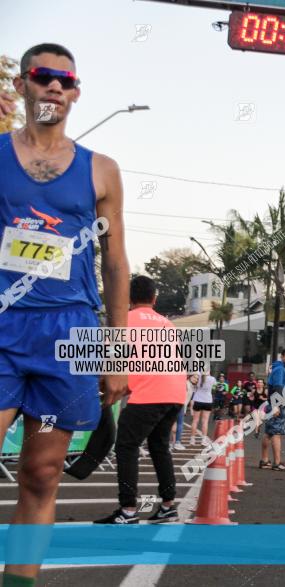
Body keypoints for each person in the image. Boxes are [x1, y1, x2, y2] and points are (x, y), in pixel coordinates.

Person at [0, 43, 129, 585]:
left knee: (42, 471)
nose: (55, 86)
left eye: (65, 80)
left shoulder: (101, 169)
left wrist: (117, 356)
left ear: (75, 94)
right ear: (23, 86)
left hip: (68, 333)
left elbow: (117, 266)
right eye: (43, 76)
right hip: (5, 325)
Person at [94, 276, 186, 524]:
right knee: (159, 447)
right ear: (154, 298)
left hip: (149, 394)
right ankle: (168, 505)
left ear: (128, 299)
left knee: (126, 446)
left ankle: (128, 510)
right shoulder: (169, 325)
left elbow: (109, 363)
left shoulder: (124, 323)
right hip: (176, 393)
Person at [260, 348, 285, 471]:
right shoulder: (280, 369)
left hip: (271, 404)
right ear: (282, 357)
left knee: (269, 433)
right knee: (276, 434)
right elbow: (277, 388)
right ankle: (277, 463)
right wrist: (277, 406)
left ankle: (264, 461)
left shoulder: (276, 368)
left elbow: (271, 388)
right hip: (276, 405)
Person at [188, 371, 214, 445]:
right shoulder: (212, 379)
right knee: (205, 421)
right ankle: (203, 440)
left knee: (195, 420)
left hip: (198, 400)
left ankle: (192, 440)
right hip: (208, 401)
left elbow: (193, 381)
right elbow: (214, 387)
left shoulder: (198, 376)